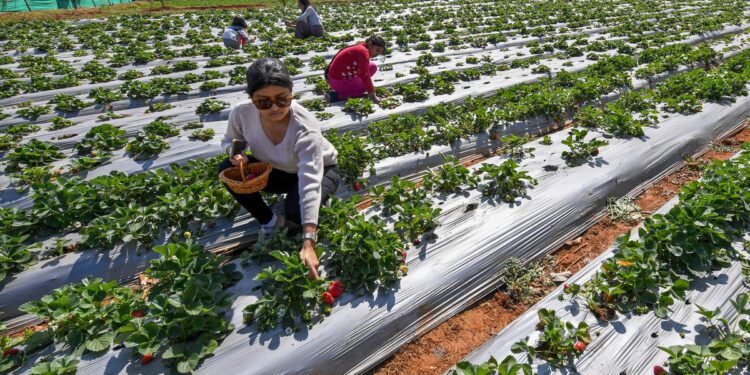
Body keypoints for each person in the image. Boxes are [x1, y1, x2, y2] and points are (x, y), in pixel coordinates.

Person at [219, 58, 341, 279]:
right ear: (252, 99)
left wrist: (308, 240)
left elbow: (310, 181)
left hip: (323, 169)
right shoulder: (242, 113)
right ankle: (270, 221)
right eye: (264, 102)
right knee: (226, 169)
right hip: (277, 170)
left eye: (282, 99)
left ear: (291, 93)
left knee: (296, 210)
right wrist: (235, 152)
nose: (274, 108)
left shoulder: (304, 127)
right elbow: (229, 140)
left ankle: (321, 199)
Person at [325, 35, 387, 104]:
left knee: (373, 67)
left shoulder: (362, 47)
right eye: (377, 50)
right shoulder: (364, 52)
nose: (377, 54)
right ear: (370, 44)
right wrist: (373, 95)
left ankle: (350, 88)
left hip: (335, 77)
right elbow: (365, 75)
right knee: (364, 88)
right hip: (337, 81)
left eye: (379, 53)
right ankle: (336, 96)